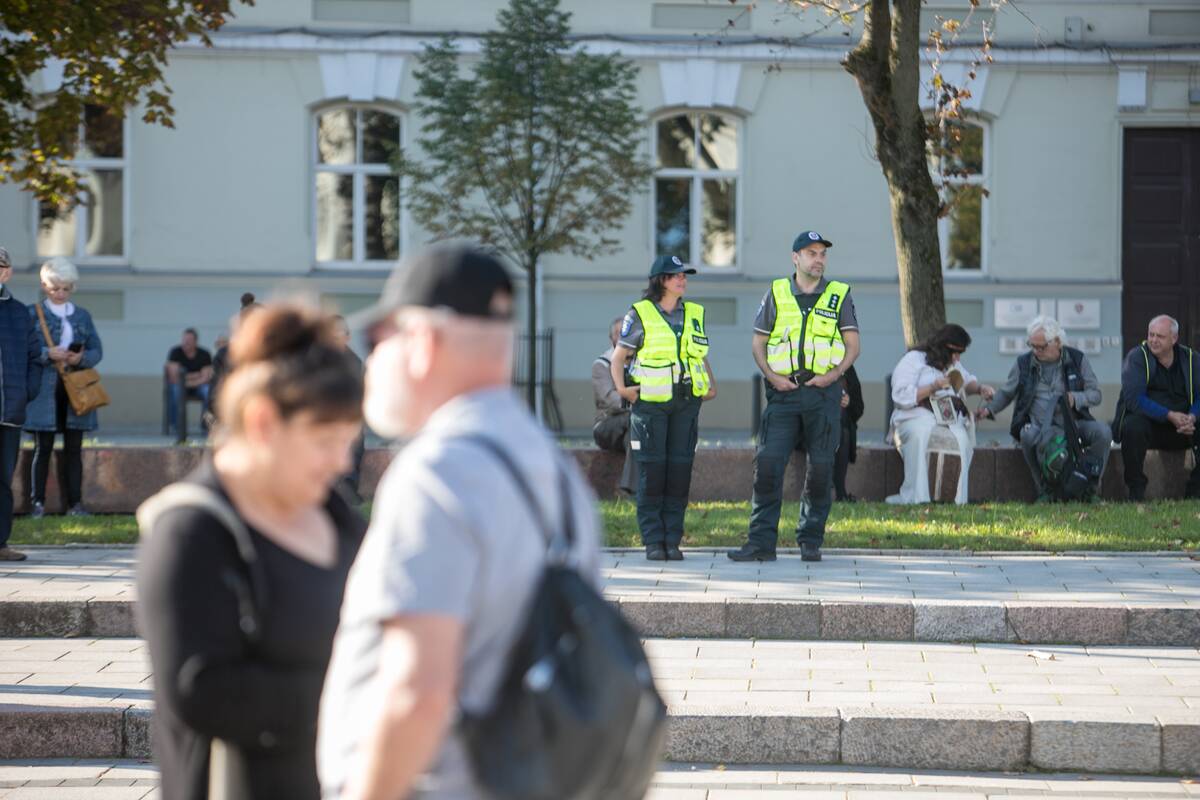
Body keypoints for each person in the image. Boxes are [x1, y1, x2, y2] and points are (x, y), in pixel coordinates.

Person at [317, 245, 602, 800]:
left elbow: (417, 693)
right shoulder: (550, 465)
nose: (372, 360)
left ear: (422, 341)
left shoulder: (438, 473)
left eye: (379, 339)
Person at [137, 303, 367, 800]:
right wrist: (360, 691)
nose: (342, 462)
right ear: (263, 421)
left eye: (349, 442)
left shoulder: (336, 515)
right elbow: (201, 690)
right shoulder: (191, 531)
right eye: (326, 440)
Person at [728, 231, 860, 563]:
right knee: (768, 465)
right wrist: (772, 377)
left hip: (823, 394)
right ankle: (761, 543)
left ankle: (810, 540)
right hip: (784, 395)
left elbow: (853, 345)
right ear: (795, 258)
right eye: (812, 253)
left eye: (823, 254)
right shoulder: (776, 292)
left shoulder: (838, 294)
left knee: (821, 469)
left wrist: (833, 375)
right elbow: (758, 343)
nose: (819, 259)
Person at [610, 255, 716, 561]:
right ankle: (654, 541)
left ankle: (673, 540)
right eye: (676, 275)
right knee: (653, 473)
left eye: (684, 275)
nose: (683, 280)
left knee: (679, 472)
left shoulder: (694, 313)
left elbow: (699, 355)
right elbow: (619, 357)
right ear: (660, 280)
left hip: (686, 403)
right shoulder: (640, 313)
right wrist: (622, 390)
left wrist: (710, 384)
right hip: (651, 407)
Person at [976, 315, 1111, 501]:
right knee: (1026, 435)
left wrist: (1076, 398)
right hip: (1039, 426)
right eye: (1032, 346)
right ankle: (1043, 491)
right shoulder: (1023, 363)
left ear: (1057, 342)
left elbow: (1096, 394)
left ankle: (1090, 489)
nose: (1036, 351)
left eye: (1042, 347)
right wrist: (987, 410)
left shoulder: (1077, 359)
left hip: (1073, 424)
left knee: (1103, 432)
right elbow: (1007, 392)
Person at [25, 257, 103, 519]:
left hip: (76, 390)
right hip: (44, 392)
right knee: (42, 448)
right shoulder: (32, 314)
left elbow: (97, 350)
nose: (60, 293)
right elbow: (26, 350)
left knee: (74, 449)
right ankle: (37, 503)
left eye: (65, 288)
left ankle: (75, 504)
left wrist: (80, 358)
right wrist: (48, 353)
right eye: (54, 288)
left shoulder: (82, 316)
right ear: (44, 286)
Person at [887, 324, 994, 505]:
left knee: (961, 439)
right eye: (955, 353)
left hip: (946, 418)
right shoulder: (914, 360)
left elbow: (965, 382)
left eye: (960, 353)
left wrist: (980, 389)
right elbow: (900, 395)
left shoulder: (953, 364)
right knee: (921, 434)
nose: (957, 358)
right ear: (944, 348)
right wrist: (932, 387)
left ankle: (956, 499)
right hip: (914, 416)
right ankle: (916, 497)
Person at [1112, 314, 1200, 500]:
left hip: (1184, 428)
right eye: (1151, 334)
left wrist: (1192, 416)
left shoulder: (1192, 359)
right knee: (1132, 426)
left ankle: (1195, 491)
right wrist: (1169, 415)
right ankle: (1136, 491)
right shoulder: (1137, 357)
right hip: (1151, 426)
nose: (1153, 340)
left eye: (1160, 336)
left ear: (1174, 338)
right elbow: (1134, 399)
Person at [0, 247, 43, 560]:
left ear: (7, 273)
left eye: (1, 267)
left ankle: (0, 544)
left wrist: (26, 392)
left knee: (3, 480)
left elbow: (34, 357)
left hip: (9, 412)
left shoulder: (19, 312)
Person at [592, 316, 637, 495]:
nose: (623, 336)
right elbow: (609, 399)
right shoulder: (602, 364)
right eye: (619, 333)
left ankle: (630, 488)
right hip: (606, 426)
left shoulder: (641, 363)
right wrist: (639, 402)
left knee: (634, 438)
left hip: (631, 425)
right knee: (638, 421)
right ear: (611, 338)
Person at [331, 314, 366, 504]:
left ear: (347, 337)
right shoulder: (318, 361)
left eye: (337, 336)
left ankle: (347, 488)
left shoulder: (355, 364)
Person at [166, 328, 214, 441]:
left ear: (195, 341)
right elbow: (174, 377)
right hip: (180, 386)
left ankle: (206, 425)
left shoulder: (205, 354)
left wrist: (185, 378)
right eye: (184, 339)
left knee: (208, 391)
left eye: (189, 340)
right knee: (176, 390)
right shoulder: (175, 352)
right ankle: (177, 426)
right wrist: (197, 375)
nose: (186, 342)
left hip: (198, 386)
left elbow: (206, 378)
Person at [833, 364, 865, 502]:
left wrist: (849, 402)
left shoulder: (847, 368)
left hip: (841, 427)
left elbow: (859, 408)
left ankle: (840, 492)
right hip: (812, 424)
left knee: (842, 432)